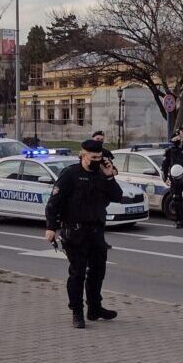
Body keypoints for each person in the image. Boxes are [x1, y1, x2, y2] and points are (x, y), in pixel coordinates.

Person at [44, 139, 123, 329]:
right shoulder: (70, 174)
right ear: (83, 156)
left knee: (98, 272)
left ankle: (94, 308)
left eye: (99, 158)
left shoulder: (102, 175)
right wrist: (51, 227)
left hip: (96, 231)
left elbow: (117, 196)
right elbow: (54, 203)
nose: (97, 161)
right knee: (77, 273)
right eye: (93, 158)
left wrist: (110, 176)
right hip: (75, 232)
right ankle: (77, 312)